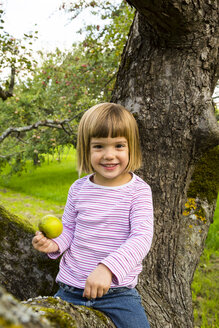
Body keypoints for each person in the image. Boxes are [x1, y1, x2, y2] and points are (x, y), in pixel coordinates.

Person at [32, 103, 154, 328]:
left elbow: (141, 238)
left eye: (119, 145)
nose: (109, 155)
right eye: (99, 146)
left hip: (117, 294)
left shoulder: (138, 191)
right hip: (71, 289)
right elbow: (68, 229)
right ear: (86, 149)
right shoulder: (78, 188)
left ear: (132, 148)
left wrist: (108, 268)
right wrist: (54, 244)